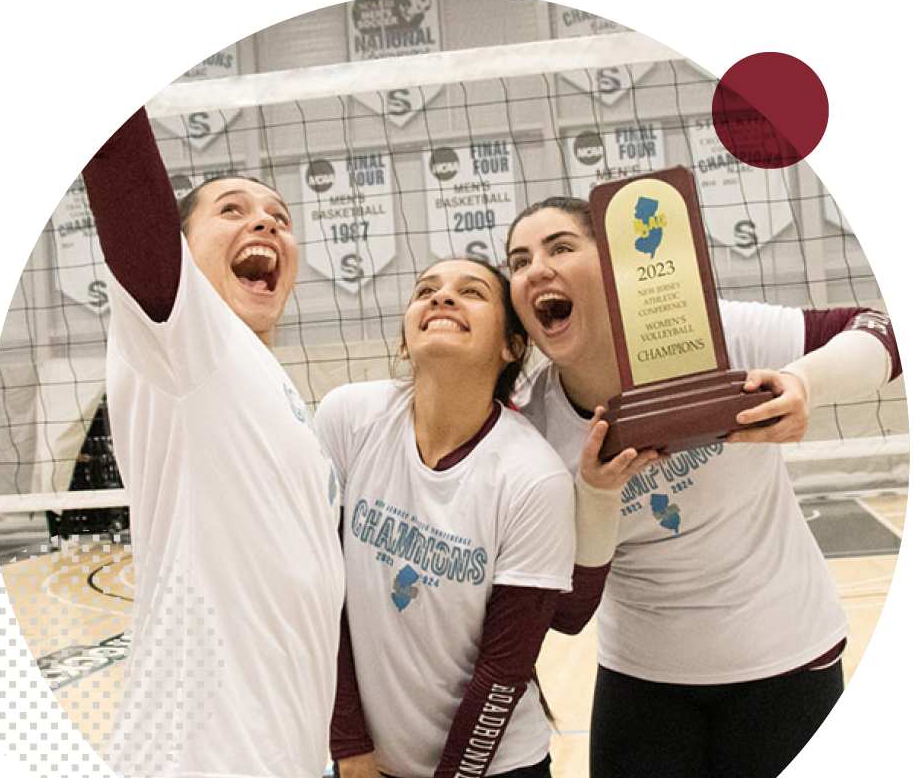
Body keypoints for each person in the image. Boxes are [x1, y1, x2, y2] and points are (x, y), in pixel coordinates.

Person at [504, 196, 903, 778]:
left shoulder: (713, 336)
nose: (536, 267)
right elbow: (569, 610)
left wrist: (804, 382)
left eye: (560, 247)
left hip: (787, 660)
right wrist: (596, 493)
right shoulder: (532, 426)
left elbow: (885, 332)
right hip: (644, 679)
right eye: (519, 261)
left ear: (615, 268)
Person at [81, 107, 345, 778]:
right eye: (232, 209)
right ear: (180, 249)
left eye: (282, 218)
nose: (265, 223)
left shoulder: (273, 388)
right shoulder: (184, 339)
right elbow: (120, 167)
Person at [315, 258, 577, 778]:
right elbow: (323, 598)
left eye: (472, 292)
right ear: (404, 341)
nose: (442, 297)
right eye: (426, 290)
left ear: (512, 346)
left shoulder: (534, 477)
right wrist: (349, 749)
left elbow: (502, 673)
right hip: (368, 762)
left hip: (496, 764)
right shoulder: (349, 419)